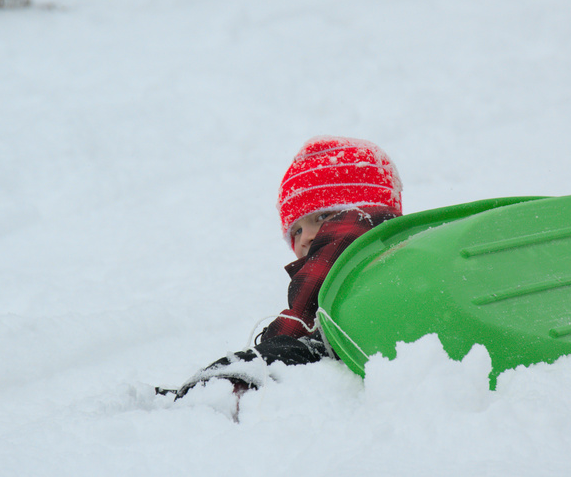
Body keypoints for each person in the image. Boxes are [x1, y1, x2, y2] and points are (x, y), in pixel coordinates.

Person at [166, 136, 403, 400]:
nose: (305, 238)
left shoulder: (360, 227)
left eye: (323, 216)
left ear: (364, 208)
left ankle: (213, 393)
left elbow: (303, 317)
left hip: (355, 342)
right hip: (378, 340)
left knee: (286, 351)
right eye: (297, 230)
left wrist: (268, 347)